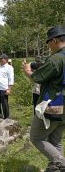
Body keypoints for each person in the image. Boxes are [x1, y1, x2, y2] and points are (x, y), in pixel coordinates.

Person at [22, 26, 65, 171]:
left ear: (53, 40)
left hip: (54, 106)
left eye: (48, 42)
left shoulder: (56, 59)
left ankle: (60, 162)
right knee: (56, 140)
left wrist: (28, 71)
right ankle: (56, 168)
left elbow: (37, 77)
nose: (48, 46)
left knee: (36, 137)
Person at [0, 54, 14, 119]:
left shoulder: (9, 67)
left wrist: (9, 89)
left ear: (5, 60)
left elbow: (11, 79)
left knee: (4, 104)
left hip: (4, 88)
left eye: (1, 59)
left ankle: (6, 118)